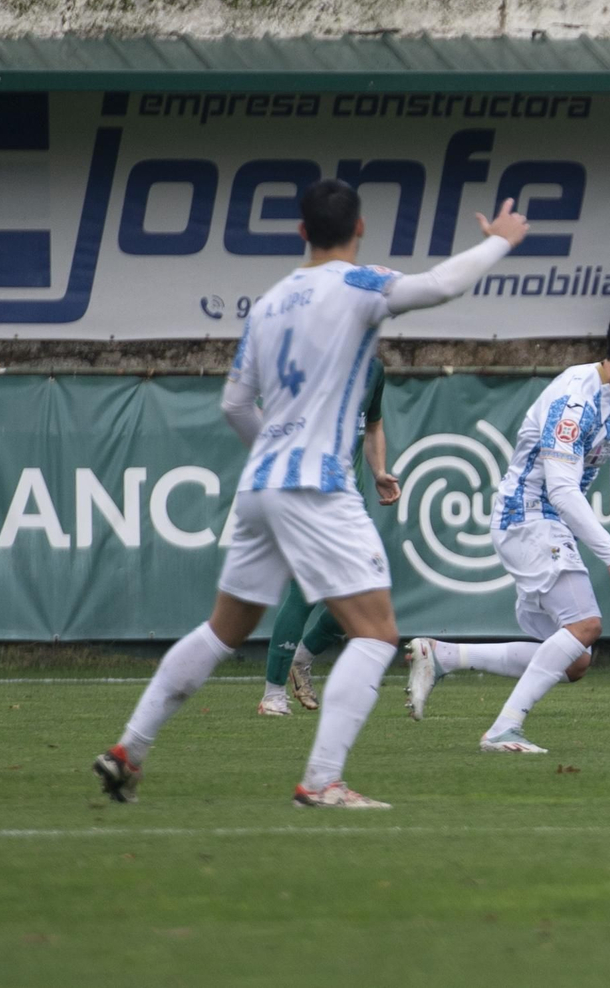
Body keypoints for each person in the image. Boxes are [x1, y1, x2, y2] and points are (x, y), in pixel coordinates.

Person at [91, 180, 530, 809]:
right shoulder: (358, 284)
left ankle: (129, 749)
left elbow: (235, 403)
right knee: (377, 635)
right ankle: (322, 780)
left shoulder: (268, 304)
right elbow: (440, 286)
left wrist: (274, 450)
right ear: (360, 229)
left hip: (262, 482)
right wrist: (498, 244)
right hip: (318, 484)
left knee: (222, 630)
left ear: (300, 232)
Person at [404, 305, 610, 753]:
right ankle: (502, 729)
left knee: (575, 660)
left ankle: (444, 655)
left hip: (548, 523)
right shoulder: (574, 401)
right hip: (526, 516)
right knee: (586, 625)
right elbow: (563, 490)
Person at [256, 355, 400, 716]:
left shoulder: (372, 367)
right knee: (303, 591)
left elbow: (374, 425)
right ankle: (273, 696)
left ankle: (300, 659)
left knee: (365, 594)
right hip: (307, 497)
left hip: (350, 503)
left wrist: (379, 470)